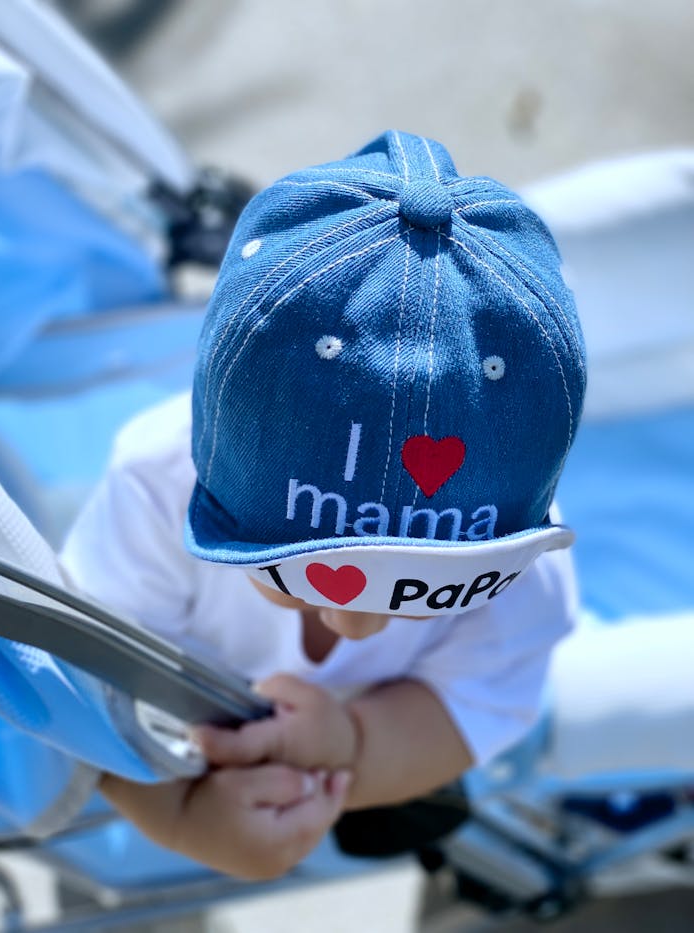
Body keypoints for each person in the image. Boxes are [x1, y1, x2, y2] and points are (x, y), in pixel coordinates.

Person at [60, 130, 586, 880]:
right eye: (296, 571)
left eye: (419, 591)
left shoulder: (514, 544)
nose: (355, 624)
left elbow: (471, 704)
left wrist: (354, 743)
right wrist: (176, 818)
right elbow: (89, 689)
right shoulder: (154, 487)